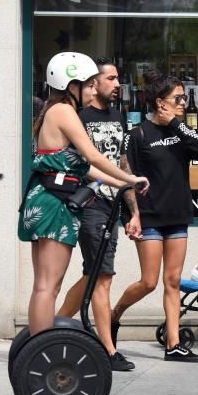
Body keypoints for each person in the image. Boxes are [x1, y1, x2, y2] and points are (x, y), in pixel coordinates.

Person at [18, 52, 149, 338]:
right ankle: (40, 348)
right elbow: (92, 155)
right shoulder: (63, 112)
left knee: (45, 284)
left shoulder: (55, 112)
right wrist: (130, 177)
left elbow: (85, 167)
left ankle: (37, 345)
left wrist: (125, 183)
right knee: (47, 286)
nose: (93, 89)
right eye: (88, 84)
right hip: (53, 205)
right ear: (70, 85)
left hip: (47, 199)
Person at [112, 72, 198, 362]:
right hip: (150, 216)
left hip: (177, 214)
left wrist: (176, 124)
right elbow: (129, 177)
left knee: (174, 281)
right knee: (149, 281)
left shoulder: (181, 131)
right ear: (159, 102)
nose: (183, 102)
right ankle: (115, 314)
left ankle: (174, 344)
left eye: (183, 97)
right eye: (177, 98)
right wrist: (134, 215)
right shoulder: (138, 134)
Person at [55, 58, 140, 372]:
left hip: (113, 204)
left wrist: (134, 212)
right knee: (102, 277)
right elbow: (79, 162)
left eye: (118, 78)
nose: (117, 84)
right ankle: (107, 348)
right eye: (111, 78)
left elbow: (122, 163)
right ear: (93, 81)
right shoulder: (76, 116)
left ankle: (59, 324)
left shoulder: (118, 116)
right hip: (89, 203)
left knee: (95, 275)